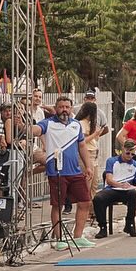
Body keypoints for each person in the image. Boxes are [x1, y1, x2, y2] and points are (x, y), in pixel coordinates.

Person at [30, 95, 95, 250]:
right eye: (61, 107)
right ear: (56, 108)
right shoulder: (48, 123)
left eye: (67, 107)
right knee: (58, 205)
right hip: (56, 172)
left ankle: (78, 236)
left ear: (71, 109)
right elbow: (36, 130)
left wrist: (88, 166)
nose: (64, 110)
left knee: (85, 202)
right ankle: (59, 239)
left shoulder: (76, 125)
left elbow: (82, 146)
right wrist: (24, 126)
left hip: (75, 171)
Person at [92, 140, 136, 239]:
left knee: (133, 194)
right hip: (112, 189)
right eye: (128, 153)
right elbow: (109, 179)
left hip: (126, 192)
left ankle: (129, 224)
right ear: (123, 150)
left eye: (133, 154)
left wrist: (132, 187)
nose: (130, 156)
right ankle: (102, 227)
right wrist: (120, 185)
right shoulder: (111, 161)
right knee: (98, 198)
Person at [75, 101, 104, 194]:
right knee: (87, 182)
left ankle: (92, 202)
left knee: (94, 184)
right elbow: (82, 141)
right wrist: (95, 134)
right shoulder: (81, 123)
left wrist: (97, 134)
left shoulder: (89, 123)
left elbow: (93, 139)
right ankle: (85, 202)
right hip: (87, 153)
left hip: (94, 153)